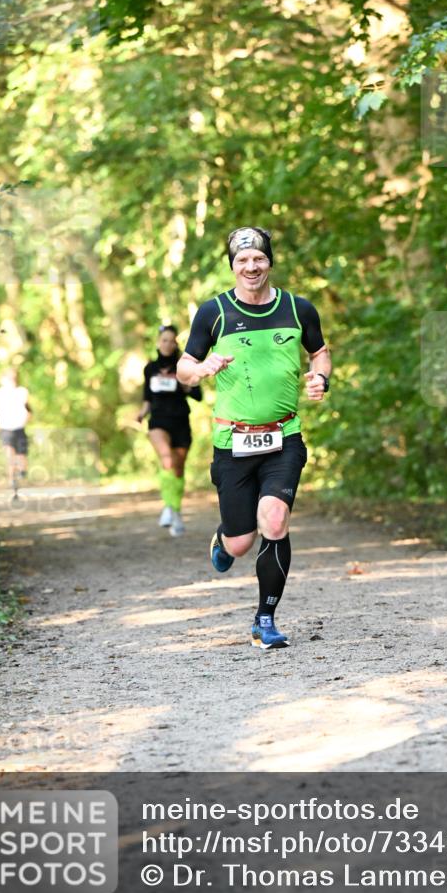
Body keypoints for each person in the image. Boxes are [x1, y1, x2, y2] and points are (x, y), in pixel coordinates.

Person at [177, 226, 331, 649]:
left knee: (275, 521)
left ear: (270, 262)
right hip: (233, 441)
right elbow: (183, 367)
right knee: (241, 542)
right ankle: (225, 538)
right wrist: (202, 368)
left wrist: (320, 377)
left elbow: (319, 352)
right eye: (242, 260)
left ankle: (265, 618)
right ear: (232, 265)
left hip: (284, 435)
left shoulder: (298, 309)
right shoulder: (215, 313)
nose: (251, 266)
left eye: (259, 259)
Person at [138, 325, 202, 537]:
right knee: (166, 459)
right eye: (164, 340)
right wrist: (141, 413)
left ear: (176, 343)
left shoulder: (183, 366)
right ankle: (167, 507)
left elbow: (198, 394)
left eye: (171, 340)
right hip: (158, 420)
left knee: (178, 469)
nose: (167, 344)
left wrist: (186, 385)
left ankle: (175, 510)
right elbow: (147, 397)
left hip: (180, 420)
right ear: (158, 343)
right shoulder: (150, 368)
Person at [0, 368, 31, 500]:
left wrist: (27, 417)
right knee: (9, 454)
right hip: (5, 428)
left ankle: (21, 472)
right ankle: (12, 482)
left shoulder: (22, 392)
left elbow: (28, 408)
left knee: (21, 456)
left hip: (19, 427)